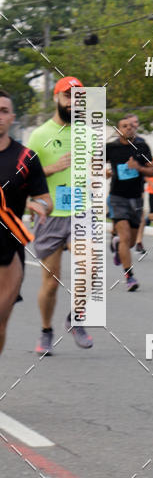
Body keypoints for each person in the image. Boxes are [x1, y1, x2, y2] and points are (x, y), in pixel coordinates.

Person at [28, 76, 94, 355]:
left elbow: (89, 169)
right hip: (51, 213)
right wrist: (51, 168)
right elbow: (24, 176)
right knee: (51, 282)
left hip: (81, 211)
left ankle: (76, 318)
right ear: (57, 97)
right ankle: (46, 330)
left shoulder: (88, 134)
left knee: (91, 268)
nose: (74, 101)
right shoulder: (40, 135)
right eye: (69, 96)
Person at [0, 90, 52, 357]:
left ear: (12, 118)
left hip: (8, 249)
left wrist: (39, 206)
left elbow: (45, 199)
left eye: (4, 111)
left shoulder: (26, 158)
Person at [106, 114, 153, 291]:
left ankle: (118, 245)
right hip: (117, 197)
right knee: (125, 236)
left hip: (136, 198)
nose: (128, 128)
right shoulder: (110, 148)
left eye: (131, 126)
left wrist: (139, 168)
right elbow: (93, 165)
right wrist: (103, 172)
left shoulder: (142, 147)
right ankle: (129, 276)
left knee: (131, 242)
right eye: (124, 126)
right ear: (118, 130)